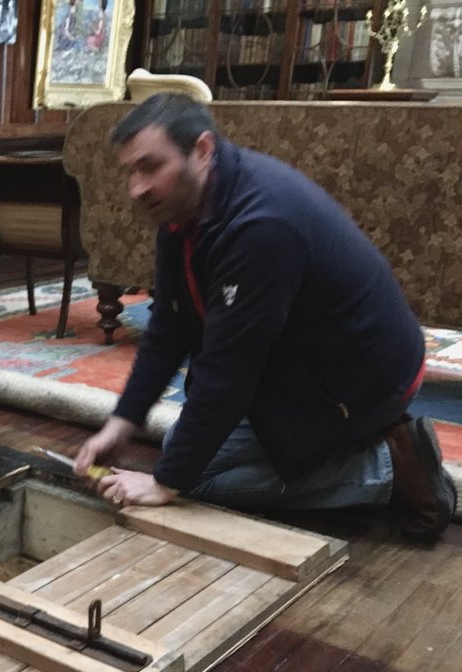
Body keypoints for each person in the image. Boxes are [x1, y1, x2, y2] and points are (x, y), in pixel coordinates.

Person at [73, 93, 456, 541]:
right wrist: (122, 423)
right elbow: (169, 328)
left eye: (151, 166)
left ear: (201, 151)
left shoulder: (261, 224)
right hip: (302, 362)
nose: (137, 187)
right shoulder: (185, 206)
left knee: (194, 478)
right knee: (182, 447)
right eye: (131, 171)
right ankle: (348, 449)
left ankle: (390, 467)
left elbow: (230, 370)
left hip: (363, 379)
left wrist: (164, 484)